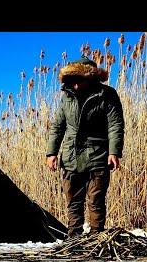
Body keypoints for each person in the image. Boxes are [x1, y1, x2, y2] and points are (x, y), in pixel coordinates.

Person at [45, 56, 125, 238]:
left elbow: (115, 125)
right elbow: (58, 126)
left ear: (90, 78)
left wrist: (114, 152)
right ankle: (74, 238)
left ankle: (97, 238)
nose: (75, 85)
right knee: (73, 201)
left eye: (79, 80)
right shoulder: (66, 98)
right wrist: (52, 153)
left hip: (97, 155)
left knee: (96, 200)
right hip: (71, 156)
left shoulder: (107, 95)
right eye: (72, 80)